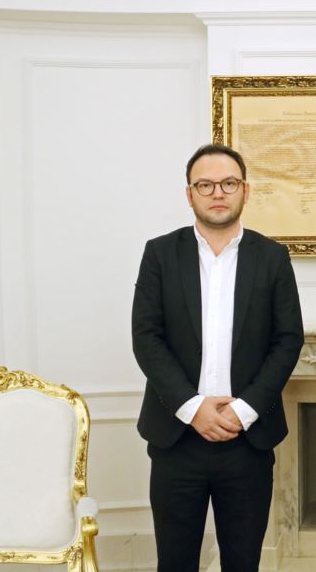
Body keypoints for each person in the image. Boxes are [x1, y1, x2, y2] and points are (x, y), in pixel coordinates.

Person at [132, 144, 304, 572]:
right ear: (189, 194)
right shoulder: (159, 253)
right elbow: (147, 338)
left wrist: (242, 411)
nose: (217, 193)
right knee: (175, 562)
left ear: (245, 190)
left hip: (248, 439)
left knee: (243, 563)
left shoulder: (272, 257)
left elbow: (287, 341)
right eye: (205, 185)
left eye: (228, 183)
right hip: (176, 437)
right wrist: (193, 408)